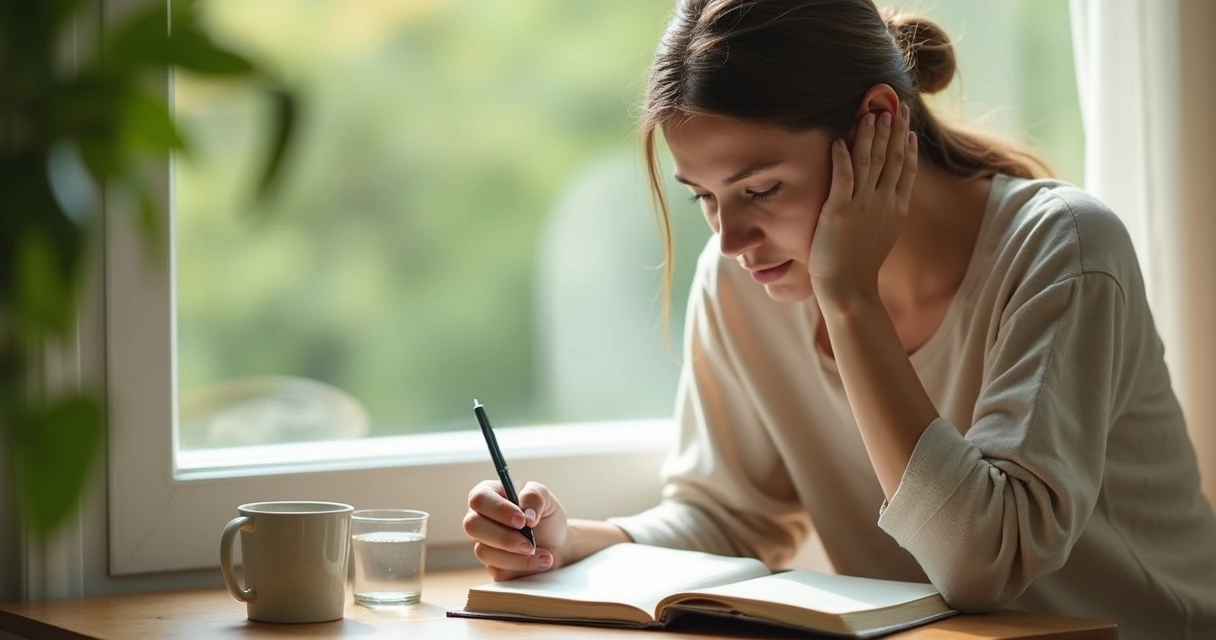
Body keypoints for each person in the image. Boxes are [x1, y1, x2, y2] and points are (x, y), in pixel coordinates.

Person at [462, 1, 1216, 637]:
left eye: (761, 189)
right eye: (704, 198)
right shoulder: (744, 281)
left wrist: (849, 295)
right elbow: (727, 517)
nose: (731, 240)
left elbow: (983, 563)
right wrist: (571, 543)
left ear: (876, 123)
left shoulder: (1063, 249)